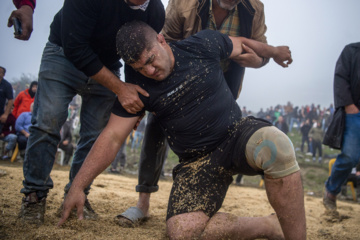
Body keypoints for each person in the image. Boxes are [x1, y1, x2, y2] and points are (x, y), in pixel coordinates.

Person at [59, 21, 305, 240]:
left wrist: (273, 52)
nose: (150, 71)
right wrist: (78, 186)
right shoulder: (139, 87)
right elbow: (112, 137)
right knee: (182, 232)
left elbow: (241, 43)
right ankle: (268, 225)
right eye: (140, 68)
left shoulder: (202, 44)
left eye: (151, 60)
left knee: (276, 146)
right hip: (196, 163)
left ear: (161, 40)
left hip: (235, 134)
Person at [127, 0, 293, 226]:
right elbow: (160, 42)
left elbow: (258, 47)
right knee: (156, 126)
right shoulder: (183, 3)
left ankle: (209, 190)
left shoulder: (255, 8)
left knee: (222, 136)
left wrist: (259, 61)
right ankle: (143, 203)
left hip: (223, 82)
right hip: (181, 75)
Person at [19, 0, 165, 225]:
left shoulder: (155, 11)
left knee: (96, 135)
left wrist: (136, 106)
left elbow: (136, 58)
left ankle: (77, 194)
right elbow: (75, 47)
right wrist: (119, 88)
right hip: (64, 55)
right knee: (47, 123)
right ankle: (34, 195)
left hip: (108, 64)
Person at [323, 42, 360, 211]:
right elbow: (340, 77)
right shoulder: (351, 51)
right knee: (350, 157)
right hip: (354, 112)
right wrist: (349, 106)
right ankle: (331, 191)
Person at [0, 67, 14, 133]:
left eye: (0, 72)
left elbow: (10, 100)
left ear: (3, 74)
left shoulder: (7, 85)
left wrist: (6, 114)